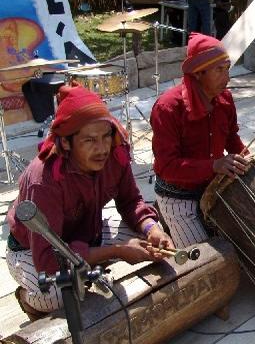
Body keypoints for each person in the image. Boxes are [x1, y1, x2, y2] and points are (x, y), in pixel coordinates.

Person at [6, 84, 173, 319]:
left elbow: (130, 201)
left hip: (87, 232)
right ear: (65, 143)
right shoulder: (43, 179)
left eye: (106, 136)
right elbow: (48, 258)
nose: (102, 148)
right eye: (90, 141)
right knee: (59, 295)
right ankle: (27, 298)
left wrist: (152, 228)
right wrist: (117, 251)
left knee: (152, 244)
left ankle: (91, 266)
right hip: (33, 250)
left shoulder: (115, 154)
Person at [151, 33, 249, 248]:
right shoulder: (167, 108)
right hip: (178, 197)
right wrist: (214, 165)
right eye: (219, 70)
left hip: (213, 188)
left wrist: (249, 161)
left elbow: (232, 140)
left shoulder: (225, 100)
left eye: (228, 68)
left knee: (247, 240)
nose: (227, 77)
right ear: (197, 74)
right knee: (206, 263)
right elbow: (167, 166)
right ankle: (165, 219)